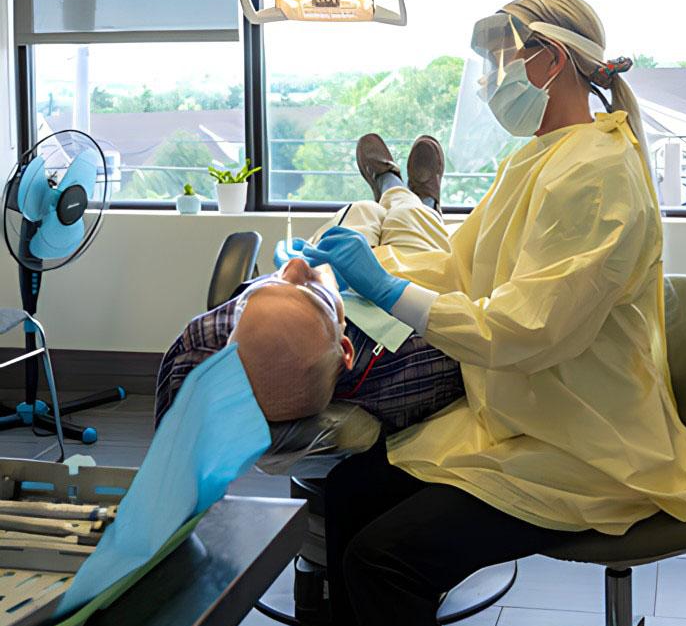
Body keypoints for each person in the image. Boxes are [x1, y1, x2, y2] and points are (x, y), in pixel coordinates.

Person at [296, 0, 686, 626]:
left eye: (496, 65)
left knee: (383, 561)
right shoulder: (536, 159)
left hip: (587, 447)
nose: (485, 86)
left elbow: (525, 329)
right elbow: (458, 269)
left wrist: (391, 295)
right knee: (348, 494)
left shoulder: (598, 174)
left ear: (550, 60)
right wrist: (362, 276)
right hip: (519, 417)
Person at [153, 135, 463, 442]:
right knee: (414, 222)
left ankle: (386, 188)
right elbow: (460, 332)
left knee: (361, 210)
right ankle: (419, 199)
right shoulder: (413, 364)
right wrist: (388, 288)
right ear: (345, 349)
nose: (297, 267)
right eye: (309, 290)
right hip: (407, 278)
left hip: (336, 265)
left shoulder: (218, 339)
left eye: (274, 282)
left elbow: (180, 371)